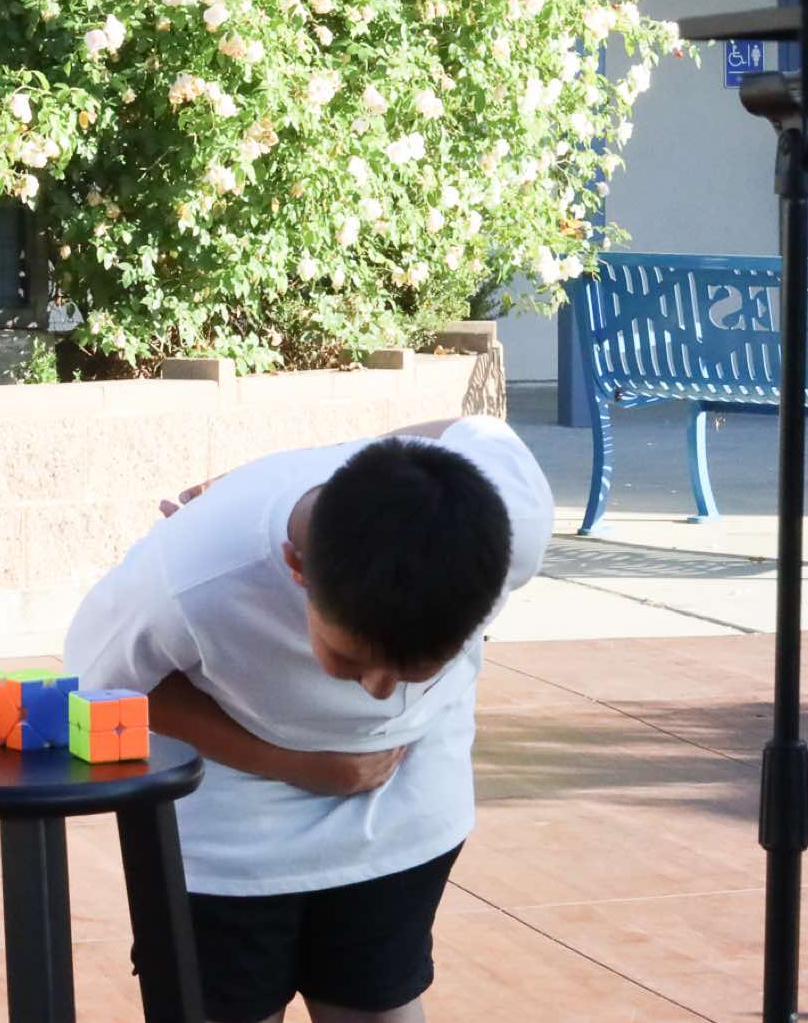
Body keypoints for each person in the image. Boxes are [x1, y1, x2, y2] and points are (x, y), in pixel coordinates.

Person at [65, 413, 555, 1023]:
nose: (379, 694)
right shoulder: (195, 577)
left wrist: (342, 465)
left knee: (376, 1006)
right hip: (236, 834)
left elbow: (468, 429)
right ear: (296, 570)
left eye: (419, 667)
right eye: (351, 661)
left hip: (405, 812)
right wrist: (293, 763)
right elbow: (102, 688)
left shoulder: (512, 520)